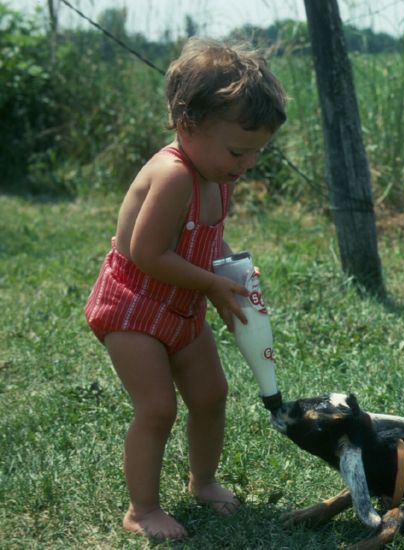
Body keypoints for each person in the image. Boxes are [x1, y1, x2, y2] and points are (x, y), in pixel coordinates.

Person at [84, 37, 287, 540]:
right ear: (186, 123)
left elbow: (202, 239)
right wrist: (212, 284)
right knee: (157, 408)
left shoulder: (218, 173)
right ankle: (142, 509)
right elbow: (144, 252)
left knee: (212, 394)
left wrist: (229, 271)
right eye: (239, 150)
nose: (246, 163)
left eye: (257, 152)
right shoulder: (174, 174)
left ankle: (204, 480)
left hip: (183, 305)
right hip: (134, 306)